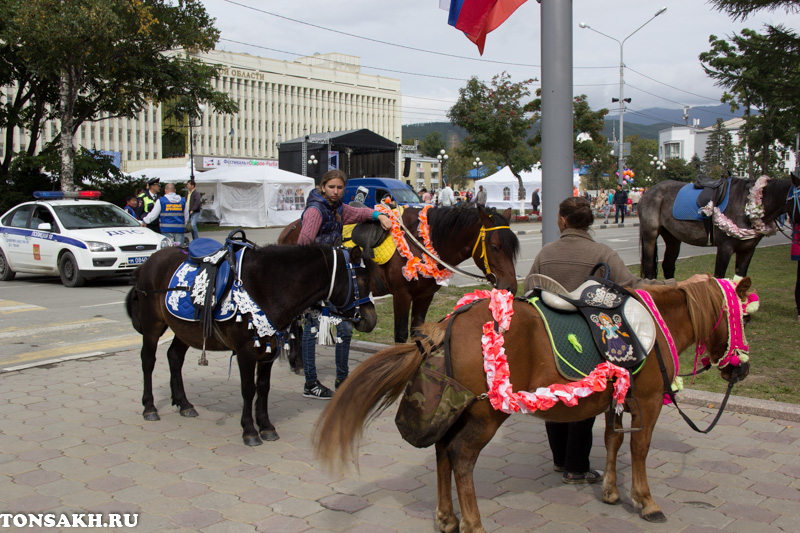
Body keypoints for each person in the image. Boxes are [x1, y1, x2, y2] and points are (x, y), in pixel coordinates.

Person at [524, 196, 708, 484]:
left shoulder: (546, 254)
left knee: (555, 392)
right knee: (585, 395)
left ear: (562, 220)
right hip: (593, 335)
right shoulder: (603, 253)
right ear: (589, 221)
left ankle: (560, 459)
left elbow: (530, 289)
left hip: (552, 336)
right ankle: (576, 466)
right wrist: (678, 284)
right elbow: (637, 286)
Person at [297, 169, 393, 399]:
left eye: (340, 188)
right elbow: (302, 247)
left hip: (335, 278)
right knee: (311, 328)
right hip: (316, 277)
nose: (336, 191)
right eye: (332, 187)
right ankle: (310, 383)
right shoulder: (315, 210)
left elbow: (359, 214)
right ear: (322, 187)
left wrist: (379, 216)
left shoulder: (338, 208)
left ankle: (343, 378)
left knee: (345, 326)